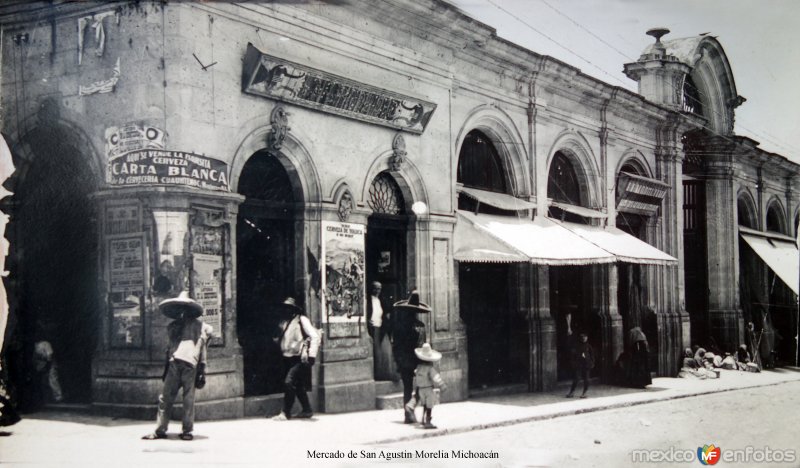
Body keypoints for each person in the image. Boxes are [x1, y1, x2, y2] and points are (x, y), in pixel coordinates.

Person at [142, 291, 212, 441]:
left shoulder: (200, 325)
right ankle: (161, 429)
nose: (182, 312)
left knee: (188, 399)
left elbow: (206, 340)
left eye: (184, 309)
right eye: (180, 309)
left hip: (190, 365)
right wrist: (166, 369)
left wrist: (202, 368)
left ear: (189, 310)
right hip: (174, 364)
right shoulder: (173, 327)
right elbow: (170, 348)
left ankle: (187, 430)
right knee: (165, 398)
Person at [273, 297, 320, 420]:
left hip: (299, 358)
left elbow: (314, 336)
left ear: (294, 309)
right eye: (285, 308)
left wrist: (312, 356)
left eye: (289, 308)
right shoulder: (284, 322)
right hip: (287, 357)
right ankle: (307, 409)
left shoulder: (301, 320)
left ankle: (285, 412)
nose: (287, 310)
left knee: (289, 382)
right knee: (297, 385)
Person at [391, 290, 429, 423]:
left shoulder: (399, 325)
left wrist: (398, 361)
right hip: (416, 361)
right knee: (423, 386)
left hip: (404, 361)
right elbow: (422, 347)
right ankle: (411, 406)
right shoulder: (420, 326)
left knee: (407, 387)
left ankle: (408, 416)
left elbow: (395, 345)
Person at [408, 343, 447, 429]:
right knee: (429, 406)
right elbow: (436, 377)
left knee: (424, 405)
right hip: (428, 389)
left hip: (421, 390)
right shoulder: (430, 369)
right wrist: (442, 385)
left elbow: (416, 375)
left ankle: (422, 419)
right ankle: (428, 422)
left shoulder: (418, 367)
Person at [366, 281, 395, 381]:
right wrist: (367, 321)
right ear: (372, 289)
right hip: (372, 328)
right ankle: (375, 374)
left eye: (379, 288)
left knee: (383, 353)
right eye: (375, 288)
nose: (377, 291)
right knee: (375, 352)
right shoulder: (368, 300)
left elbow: (386, 313)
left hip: (380, 328)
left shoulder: (381, 300)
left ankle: (382, 374)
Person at [33, 336, 62, 404]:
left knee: (52, 380)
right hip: (41, 365)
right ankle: (46, 398)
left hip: (50, 364)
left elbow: (50, 355)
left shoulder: (46, 343)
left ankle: (58, 397)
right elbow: (34, 358)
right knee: (44, 382)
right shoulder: (35, 345)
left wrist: (48, 364)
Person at [566, 332, 594, 398]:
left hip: (586, 364)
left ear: (587, 338)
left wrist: (592, 363)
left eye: (585, 337)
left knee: (586, 379)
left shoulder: (589, 346)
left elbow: (592, 355)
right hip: (579, 365)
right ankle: (571, 392)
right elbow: (573, 355)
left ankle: (584, 393)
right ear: (580, 338)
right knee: (576, 378)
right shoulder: (576, 346)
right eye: (582, 337)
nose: (584, 338)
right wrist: (573, 363)